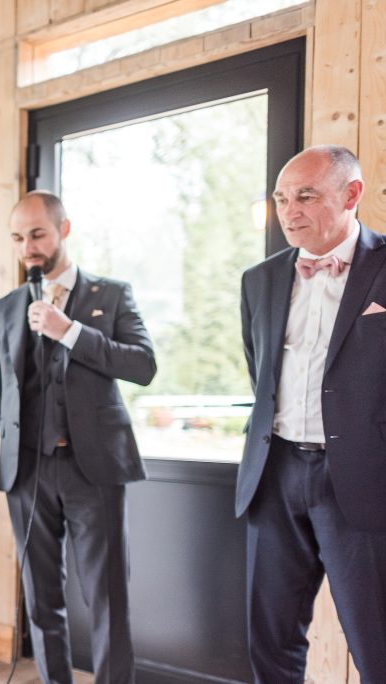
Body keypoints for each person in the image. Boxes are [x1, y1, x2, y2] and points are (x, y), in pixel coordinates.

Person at [0, 190, 155, 683]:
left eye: (37, 235)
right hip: (27, 472)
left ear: (63, 229)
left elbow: (143, 366)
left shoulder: (111, 295)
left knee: (108, 597)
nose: (27, 248)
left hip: (94, 470)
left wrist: (70, 331)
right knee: (41, 600)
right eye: (17, 238)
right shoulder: (3, 310)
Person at [238, 145, 386, 681]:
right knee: (271, 643)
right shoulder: (258, 280)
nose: (289, 211)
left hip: (365, 480)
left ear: (351, 194)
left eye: (305, 196)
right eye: (281, 199)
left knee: (377, 645)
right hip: (274, 475)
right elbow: (260, 375)